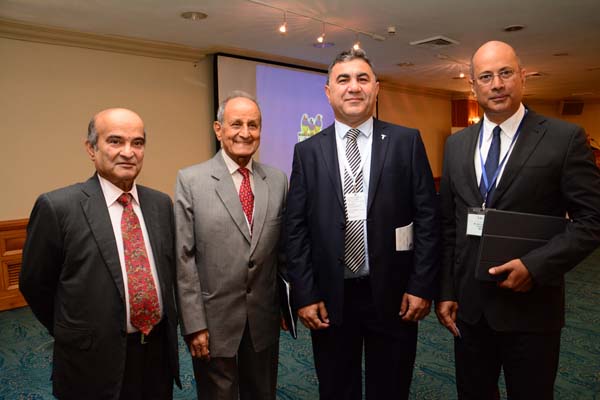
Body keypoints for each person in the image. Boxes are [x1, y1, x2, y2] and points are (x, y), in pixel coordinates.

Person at [436, 40, 600, 399]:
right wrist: (446, 291)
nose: (497, 84)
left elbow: (592, 220)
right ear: (473, 86)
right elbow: (448, 224)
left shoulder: (563, 138)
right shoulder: (456, 145)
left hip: (531, 309)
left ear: (523, 77)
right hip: (470, 309)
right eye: (486, 77)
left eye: (505, 73)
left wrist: (535, 266)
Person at [285, 49, 440, 399]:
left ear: (376, 88)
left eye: (362, 79)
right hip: (331, 297)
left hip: (395, 294)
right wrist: (305, 294)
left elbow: (428, 219)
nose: (353, 87)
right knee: (337, 387)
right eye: (343, 79)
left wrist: (421, 286)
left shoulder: (406, 142)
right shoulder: (307, 152)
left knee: (392, 387)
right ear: (329, 92)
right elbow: (296, 230)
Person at [20, 108, 181, 399]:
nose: (128, 152)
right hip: (91, 360)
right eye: (115, 141)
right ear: (91, 149)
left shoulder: (160, 204)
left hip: (156, 355)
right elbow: (35, 284)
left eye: (137, 143)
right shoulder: (58, 207)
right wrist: (73, 331)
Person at [174, 91, 287, 400]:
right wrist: (194, 324)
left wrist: (286, 306)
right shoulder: (191, 181)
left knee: (262, 393)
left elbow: (281, 252)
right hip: (213, 321)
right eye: (236, 124)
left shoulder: (278, 180)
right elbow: (183, 259)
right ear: (218, 129)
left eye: (253, 125)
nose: (245, 133)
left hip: (263, 319)